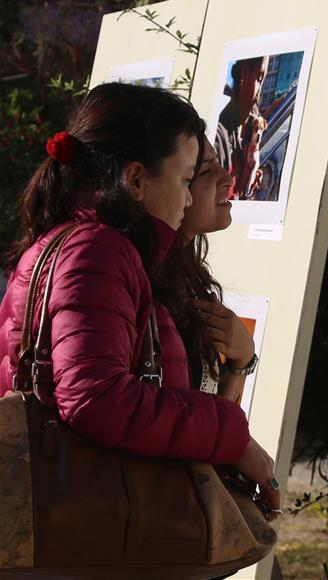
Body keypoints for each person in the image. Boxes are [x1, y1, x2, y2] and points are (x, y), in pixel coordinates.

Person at [0, 83, 280, 517]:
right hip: (87, 523)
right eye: (187, 178)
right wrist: (232, 435)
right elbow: (96, 398)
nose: (188, 199)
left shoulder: (91, 247)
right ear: (135, 179)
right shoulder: (97, 251)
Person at [160, 139, 256, 403]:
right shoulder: (147, 283)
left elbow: (213, 420)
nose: (227, 178)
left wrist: (243, 359)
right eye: (204, 172)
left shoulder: (187, 278)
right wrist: (242, 360)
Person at [215, 56, 269, 200]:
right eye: (259, 78)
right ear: (244, 73)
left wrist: (248, 183)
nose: (259, 94)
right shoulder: (218, 137)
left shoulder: (246, 134)